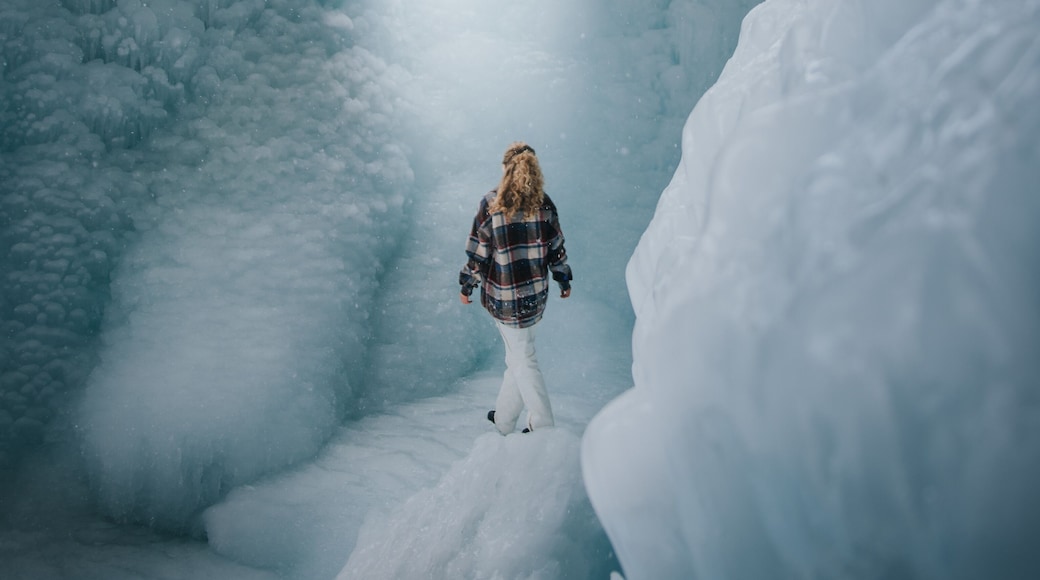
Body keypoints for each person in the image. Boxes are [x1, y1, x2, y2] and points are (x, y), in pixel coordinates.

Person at [459, 142, 573, 435]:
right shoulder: (544, 203)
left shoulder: (491, 204)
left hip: (506, 300)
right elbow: (556, 248)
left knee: (524, 359)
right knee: (518, 357)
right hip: (535, 297)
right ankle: (504, 419)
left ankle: (542, 426)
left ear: (504, 169)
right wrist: (563, 278)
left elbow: (478, 253)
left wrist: (467, 284)